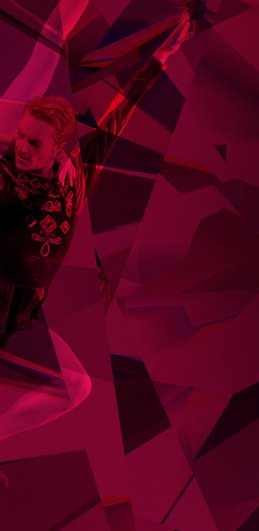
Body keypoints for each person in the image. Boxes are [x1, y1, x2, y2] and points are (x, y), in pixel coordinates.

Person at [0, 1, 199, 445]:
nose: (22, 148)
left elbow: (122, 110)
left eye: (34, 143)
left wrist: (163, 54)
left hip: (23, 309)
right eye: (20, 137)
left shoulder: (77, 171)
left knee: (75, 386)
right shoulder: (4, 175)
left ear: (59, 147)